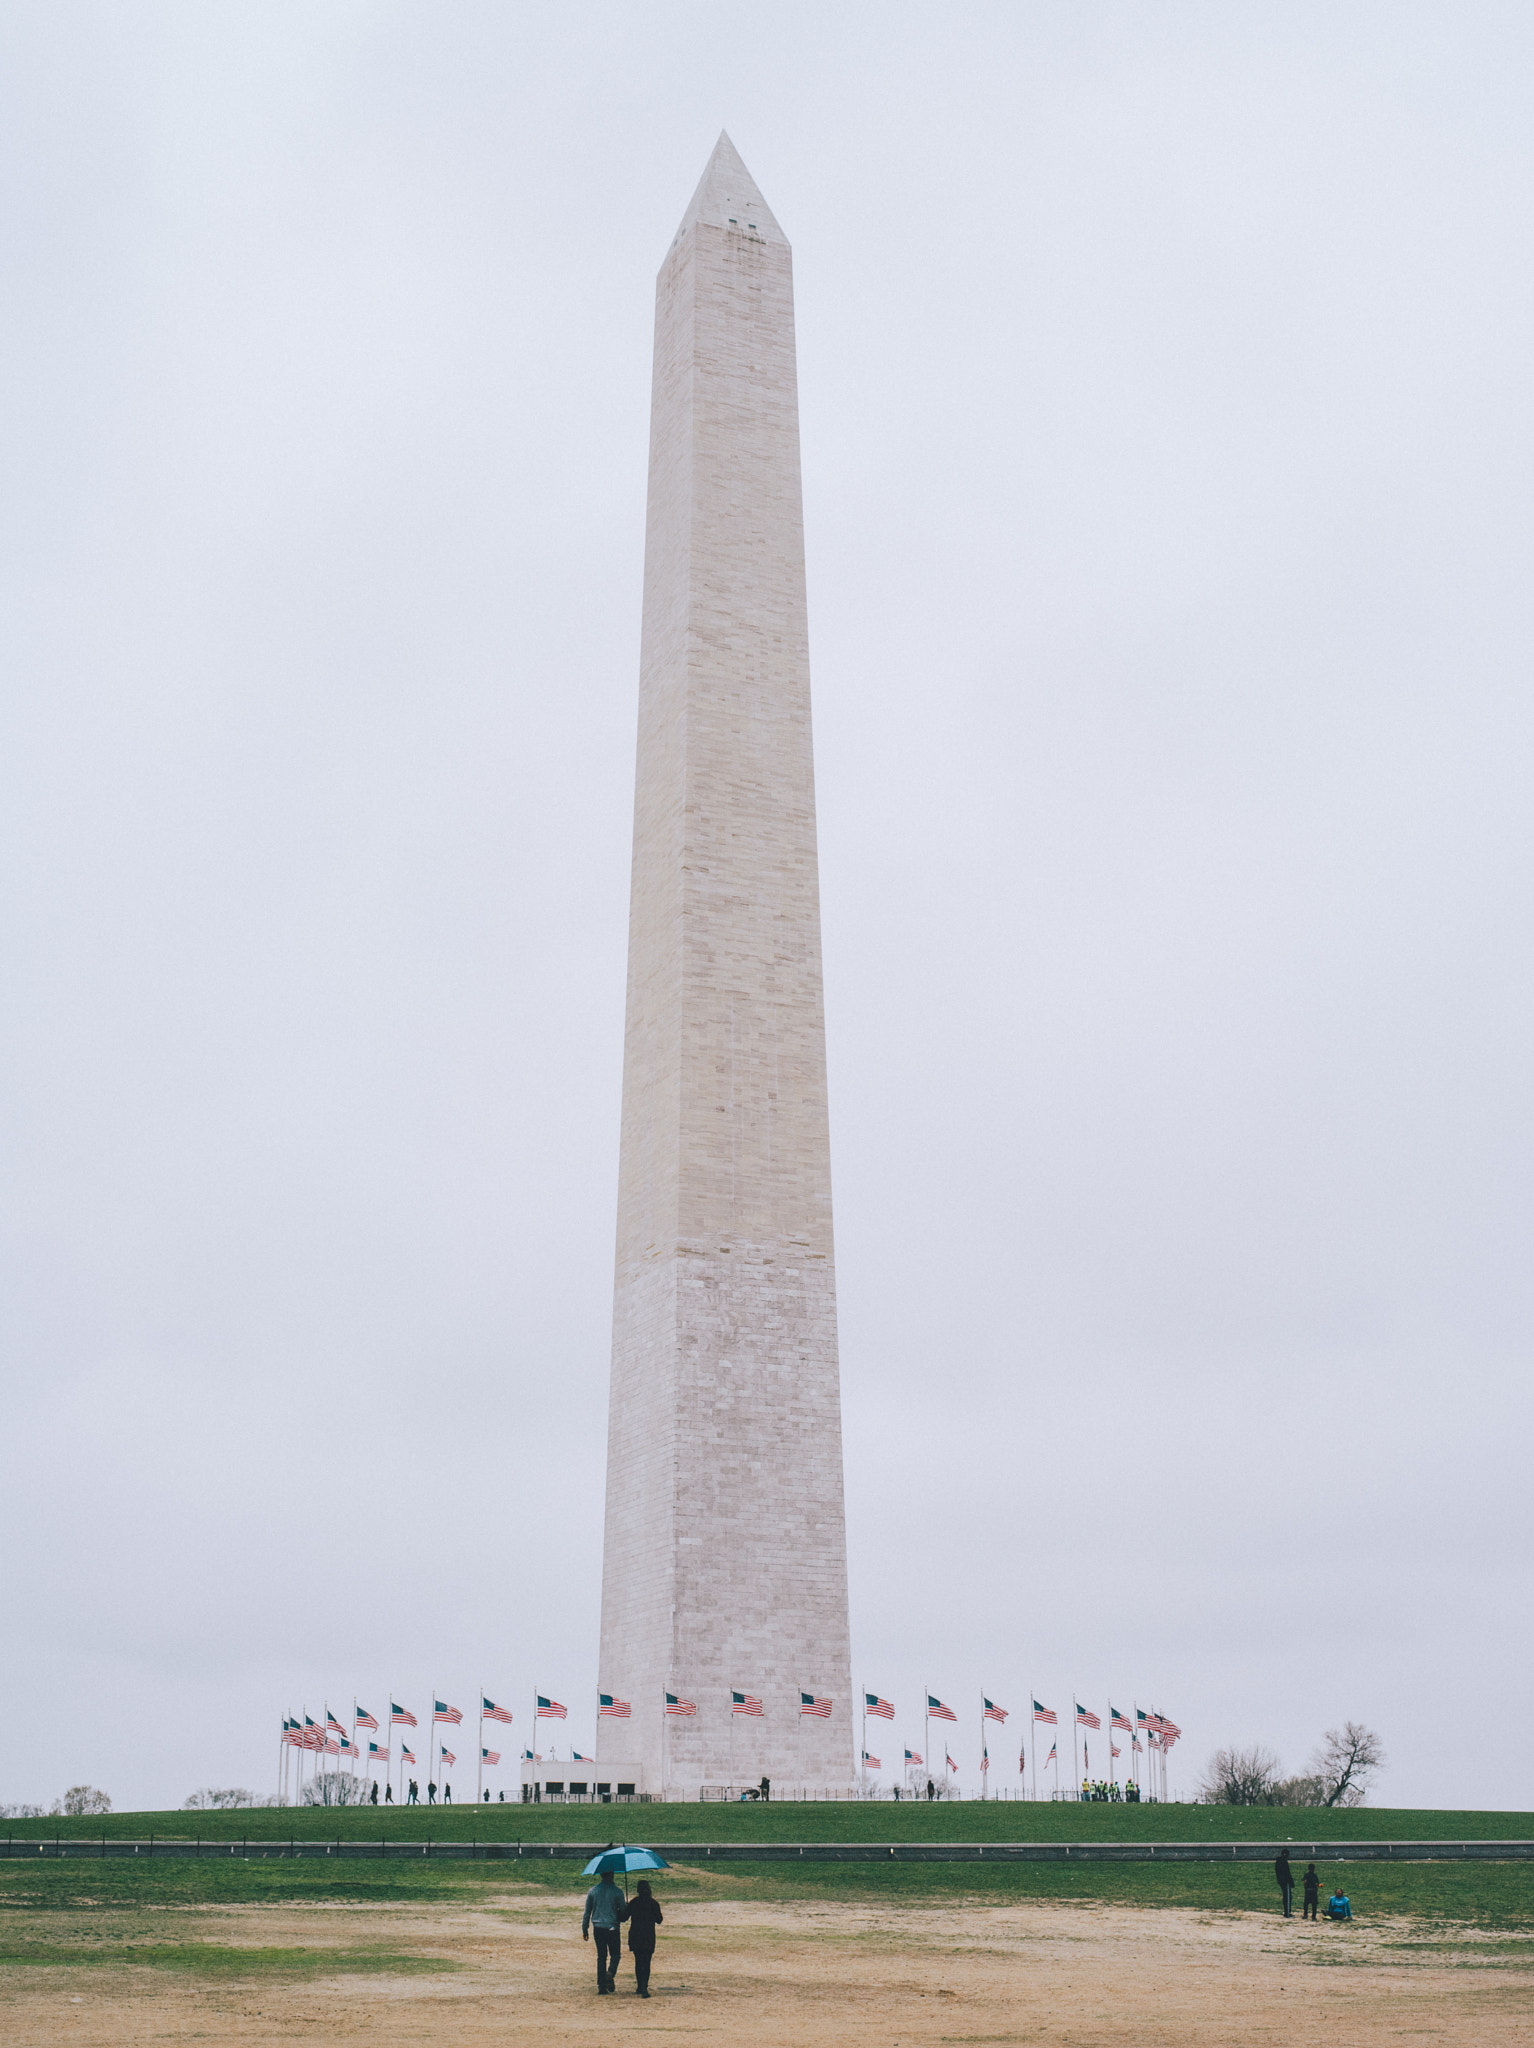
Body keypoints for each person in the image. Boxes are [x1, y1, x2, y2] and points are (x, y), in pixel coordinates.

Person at [583, 1867, 626, 1993]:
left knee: (601, 1956)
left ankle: (601, 1986)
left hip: (598, 1927)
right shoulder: (617, 1892)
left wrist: (585, 1928)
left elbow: (587, 1912)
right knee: (615, 1955)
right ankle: (610, 1972)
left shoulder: (593, 1891)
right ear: (612, 1874)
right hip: (612, 1927)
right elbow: (623, 1911)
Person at [623, 1877, 663, 1997]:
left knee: (638, 1961)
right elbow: (659, 1920)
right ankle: (644, 1986)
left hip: (635, 1935)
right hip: (648, 1935)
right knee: (646, 1962)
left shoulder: (634, 1902)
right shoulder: (653, 1903)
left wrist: (624, 1907)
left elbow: (623, 1917)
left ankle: (640, 1986)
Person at [1275, 1849, 1294, 1918]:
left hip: (1281, 1881)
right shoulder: (1283, 1862)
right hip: (1285, 1881)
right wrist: (1291, 1882)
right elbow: (1287, 1873)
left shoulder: (1278, 1862)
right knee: (1288, 1896)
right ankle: (1287, 1912)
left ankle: (1287, 1911)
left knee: (1286, 1896)